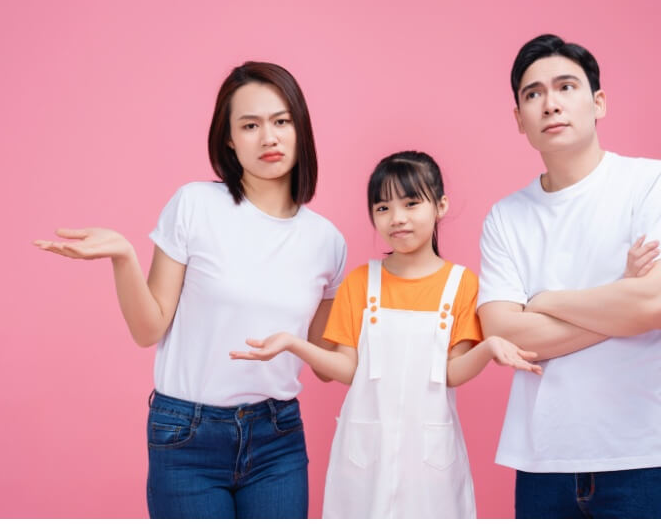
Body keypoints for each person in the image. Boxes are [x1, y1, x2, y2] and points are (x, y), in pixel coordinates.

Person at [33, 62, 346, 518]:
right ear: (229, 139)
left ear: (301, 128)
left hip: (277, 438)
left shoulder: (328, 241)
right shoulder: (194, 206)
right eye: (250, 125)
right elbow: (148, 329)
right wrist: (124, 257)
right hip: (186, 436)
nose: (269, 137)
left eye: (281, 121)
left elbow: (326, 364)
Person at [231, 151, 542, 518]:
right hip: (365, 458)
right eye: (383, 208)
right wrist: (293, 344)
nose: (397, 218)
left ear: (440, 205)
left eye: (412, 203)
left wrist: (489, 347)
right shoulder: (361, 282)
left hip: (432, 463)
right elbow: (348, 369)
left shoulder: (461, 284)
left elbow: (450, 373)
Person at [477, 34, 661, 519]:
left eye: (565, 86)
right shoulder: (505, 217)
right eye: (533, 94)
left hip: (642, 461)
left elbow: (658, 306)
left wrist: (542, 299)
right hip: (542, 468)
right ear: (519, 119)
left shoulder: (655, 184)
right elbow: (503, 334)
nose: (550, 104)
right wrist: (622, 299)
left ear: (598, 102)